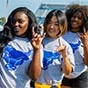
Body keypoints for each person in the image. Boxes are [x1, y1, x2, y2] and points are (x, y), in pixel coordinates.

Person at [0, 7, 44, 88]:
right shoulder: (3, 39)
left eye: (21, 22)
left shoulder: (35, 44)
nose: (16, 24)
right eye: (14, 21)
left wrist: (36, 50)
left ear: (29, 23)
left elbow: (34, 77)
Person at [34, 9, 75, 88]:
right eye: (49, 23)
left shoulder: (65, 46)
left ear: (62, 26)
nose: (52, 27)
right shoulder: (38, 40)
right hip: (33, 84)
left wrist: (65, 55)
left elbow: (67, 72)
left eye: (56, 24)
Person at [61, 4, 88, 88]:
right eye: (73, 17)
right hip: (64, 73)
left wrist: (85, 44)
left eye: (79, 18)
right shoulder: (61, 34)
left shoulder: (86, 36)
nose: (75, 19)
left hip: (80, 75)